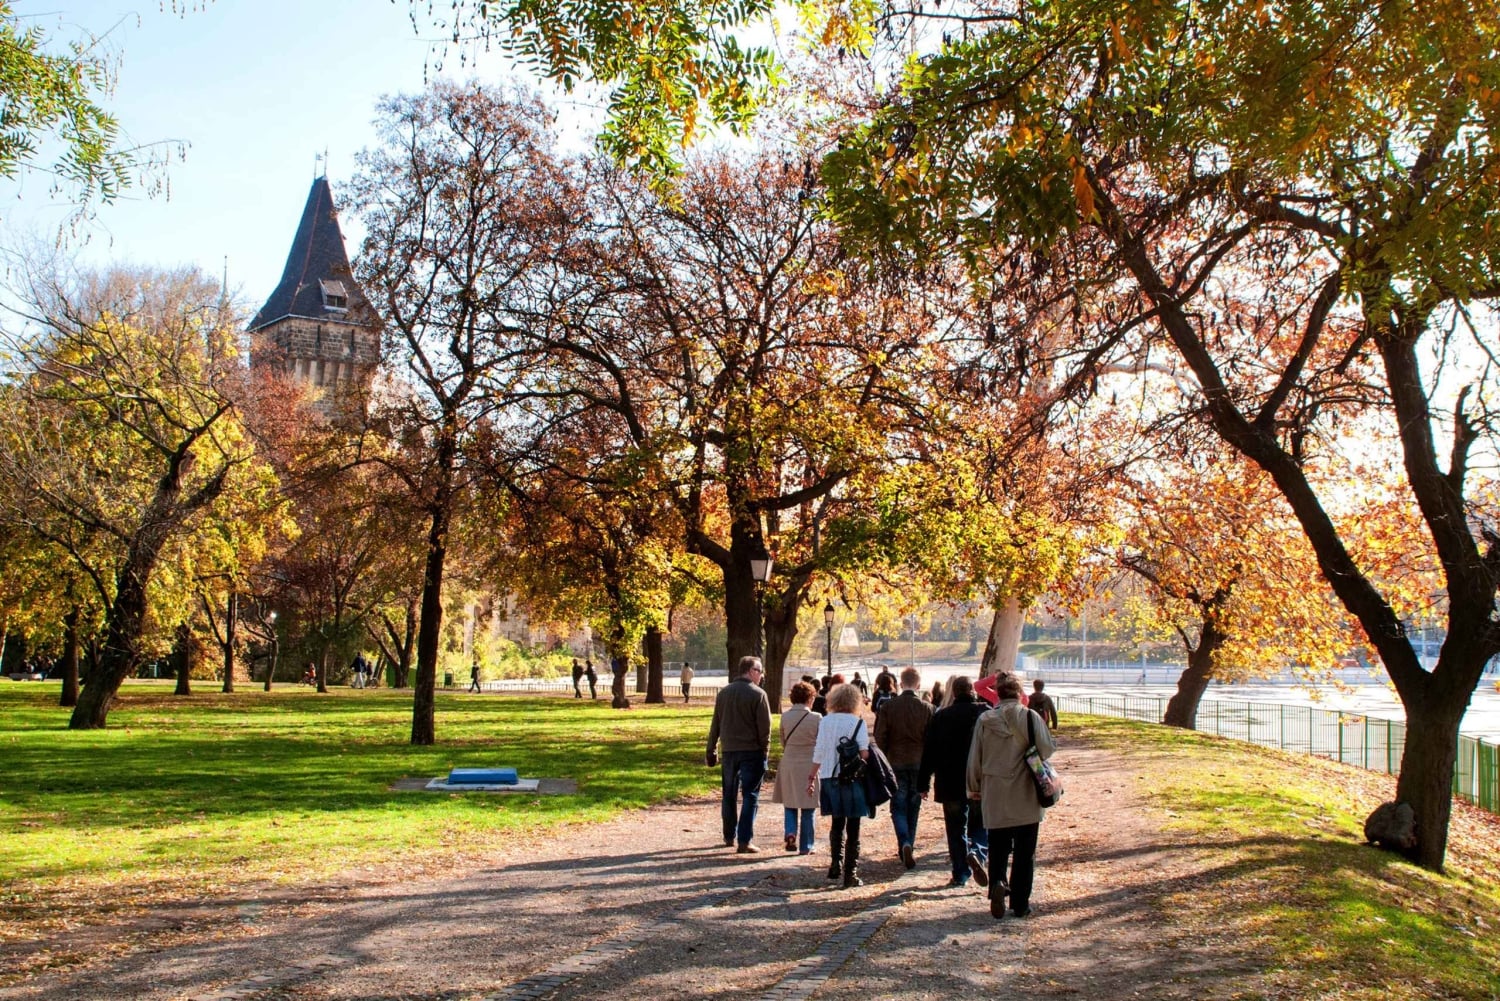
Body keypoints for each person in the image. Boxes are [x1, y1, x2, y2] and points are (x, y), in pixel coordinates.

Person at [967, 674, 1056, 919]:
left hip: (995, 791)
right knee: (1025, 851)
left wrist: (973, 787)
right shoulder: (1029, 717)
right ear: (1019, 694)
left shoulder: (985, 719)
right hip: (1025, 790)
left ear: (998, 694)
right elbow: (1047, 749)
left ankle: (997, 881)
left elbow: (976, 756)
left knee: (997, 845)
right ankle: (1020, 902)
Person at [920, 675, 991, 887]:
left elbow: (929, 752)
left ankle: (960, 872)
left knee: (955, 828)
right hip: (980, 780)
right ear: (972, 691)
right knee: (982, 823)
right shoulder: (985, 713)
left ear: (955, 692)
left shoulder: (942, 717)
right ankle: (977, 850)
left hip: (950, 781)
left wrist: (923, 783)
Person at [807, 683, 871, 887]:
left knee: (837, 821)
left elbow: (819, 749)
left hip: (829, 776)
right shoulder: (857, 723)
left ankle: (836, 863)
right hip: (852, 778)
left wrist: (812, 774)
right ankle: (850, 873)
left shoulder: (825, 722)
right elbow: (864, 753)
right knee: (854, 824)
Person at [705, 656, 772, 853]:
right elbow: (764, 728)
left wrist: (711, 748)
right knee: (750, 795)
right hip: (751, 751)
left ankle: (728, 835)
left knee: (729, 794)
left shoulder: (724, 693)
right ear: (751, 671)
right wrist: (765, 751)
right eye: (759, 671)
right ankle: (745, 840)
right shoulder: (758, 694)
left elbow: (715, 723)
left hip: (729, 750)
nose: (761, 675)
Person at [874, 667, 933, 869]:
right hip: (919, 762)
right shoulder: (927, 708)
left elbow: (880, 736)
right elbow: (931, 740)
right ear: (918, 684)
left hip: (895, 761)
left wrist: (885, 757)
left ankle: (904, 841)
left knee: (898, 806)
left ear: (900, 683)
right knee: (914, 805)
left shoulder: (889, 707)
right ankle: (910, 843)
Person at [772, 681, 821, 855]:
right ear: (810, 698)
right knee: (808, 807)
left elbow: (783, 741)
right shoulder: (816, 718)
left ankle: (790, 832)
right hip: (809, 763)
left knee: (790, 802)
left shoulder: (785, 717)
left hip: (789, 762)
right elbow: (820, 742)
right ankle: (806, 845)